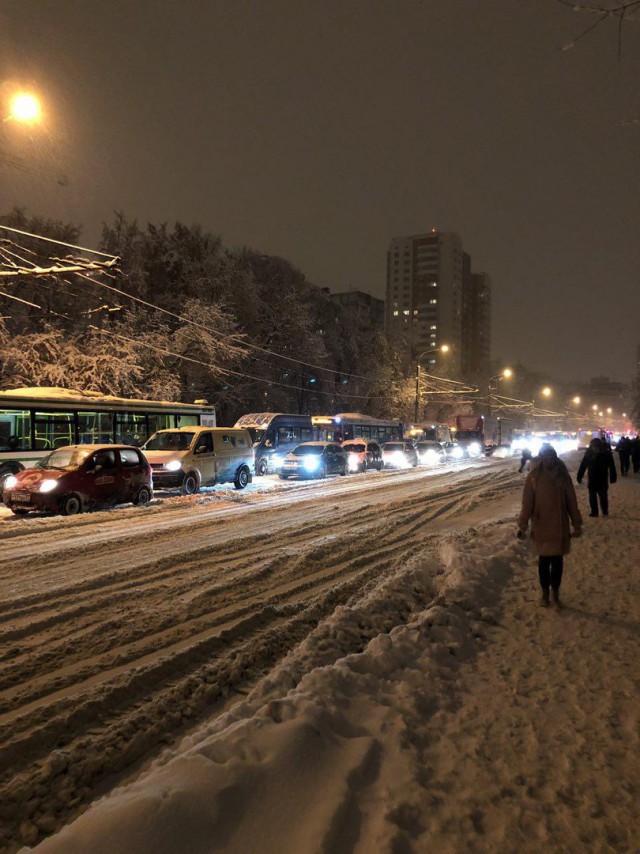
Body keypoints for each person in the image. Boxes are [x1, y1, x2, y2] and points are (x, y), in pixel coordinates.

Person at [517, 443, 583, 608]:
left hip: (560, 527)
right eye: (545, 458)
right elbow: (527, 504)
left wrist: (576, 523)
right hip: (541, 526)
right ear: (541, 459)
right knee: (544, 562)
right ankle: (545, 592)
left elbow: (571, 502)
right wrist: (522, 525)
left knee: (558, 562)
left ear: (555, 458)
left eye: (551, 458)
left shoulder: (563, 476)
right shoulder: (533, 478)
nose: (548, 461)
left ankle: (555, 592)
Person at [576, 437, 617, 517]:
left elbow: (612, 466)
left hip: (602, 479)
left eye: (597, 447)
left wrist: (613, 476)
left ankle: (604, 511)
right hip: (592, 478)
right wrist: (579, 476)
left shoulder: (606, 454)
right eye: (594, 447)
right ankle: (594, 512)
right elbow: (583, 465)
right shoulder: (588, 455)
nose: (595, 448)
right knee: (592, 497)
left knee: (603, 496)